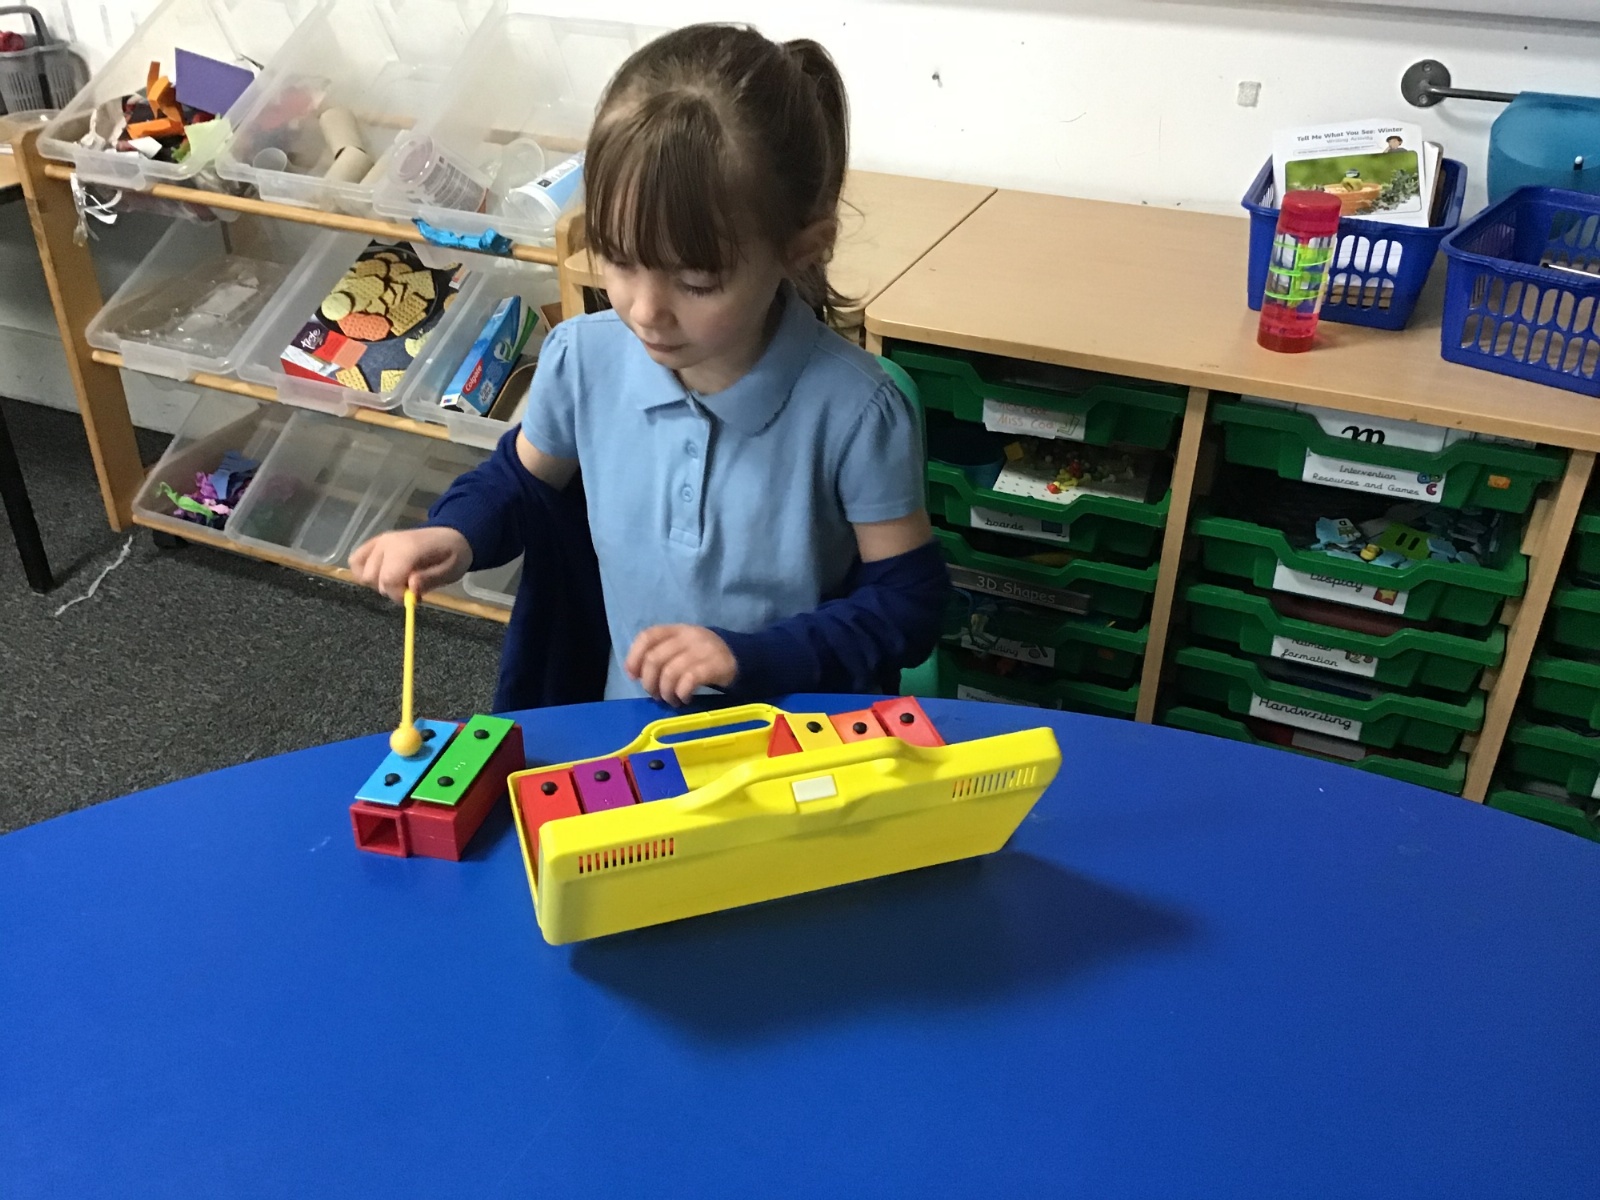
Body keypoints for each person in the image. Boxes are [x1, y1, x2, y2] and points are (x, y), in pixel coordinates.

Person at [350, 24, 946, 708]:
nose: (645, 310)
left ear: (801, 251)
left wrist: (752, 657)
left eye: (696, 282)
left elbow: (908, 602)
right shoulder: (582, 359)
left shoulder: (858, 412)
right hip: (627, 723)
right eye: (619, 259)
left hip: (794, 735)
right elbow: (520, 483)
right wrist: (455, 532)